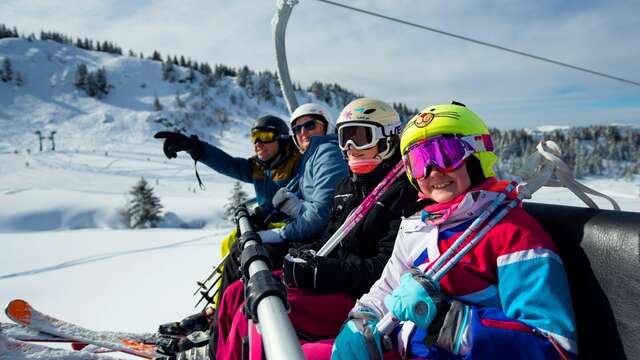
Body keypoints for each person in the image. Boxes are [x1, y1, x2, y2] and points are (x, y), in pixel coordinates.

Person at [327, 102, 578, 359]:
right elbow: (387, 287)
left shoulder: (513, 233)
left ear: (476, 154)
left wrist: (448, 322)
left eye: (446, 154)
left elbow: (556, 349)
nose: (432, 171)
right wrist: (363, 319)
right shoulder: (416, 226)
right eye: (419, 161)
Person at [214, 98, 418, 360]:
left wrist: (325, 271)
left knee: (252, 313)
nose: (351, 147)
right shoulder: (348, 186)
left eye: (361, 137)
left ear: (388, 138)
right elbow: (329, 236)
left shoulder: (401, 192)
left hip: (356, 296)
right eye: (345, 137)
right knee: (237, 292)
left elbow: (385, 268)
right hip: (331, 284)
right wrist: (302, 254)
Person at [154, 115, 301, 216]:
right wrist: (195, 147)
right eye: (254, 137)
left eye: (265, 136)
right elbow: (229, 164)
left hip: (291, 229)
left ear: (282, 139)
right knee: (229, 244)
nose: (258, 143)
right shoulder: (258, 167)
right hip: (267, 226)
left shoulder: (299, 164)